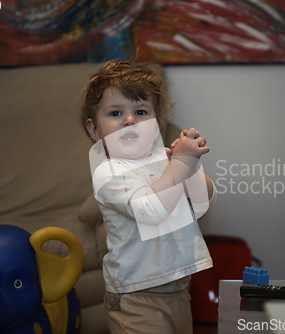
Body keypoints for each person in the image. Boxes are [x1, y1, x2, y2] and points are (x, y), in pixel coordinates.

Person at [80, 58, 217, 333]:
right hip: (136, 297)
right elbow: (150, 210)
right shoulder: (109, 172)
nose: (130, 120)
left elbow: (205, 200)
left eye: (141, 112)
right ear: (94, 130)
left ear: (156, 123)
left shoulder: (164, 158)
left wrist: (188, 167)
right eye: (116, 113)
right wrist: (179, 165)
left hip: (178, 289)